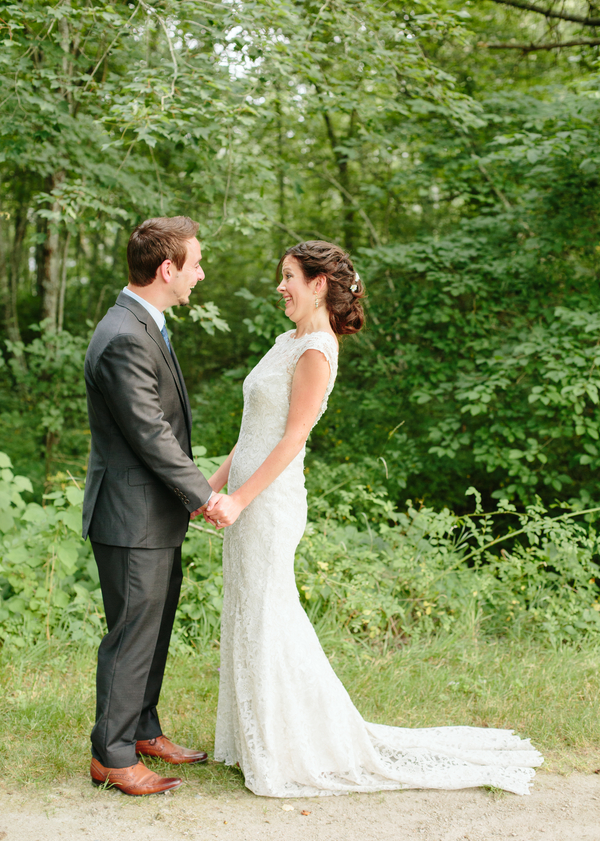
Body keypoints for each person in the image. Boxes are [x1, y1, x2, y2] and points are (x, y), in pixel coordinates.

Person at [204, 240, 543, 798]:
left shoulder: (316, 350)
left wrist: (240, 499)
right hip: (246, 498)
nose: (280, 286)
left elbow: (292, 439)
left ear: (318, 284)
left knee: (270, 616)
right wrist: (210, 487)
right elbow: (249, 437)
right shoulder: (284, 341)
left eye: (288, 276)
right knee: (248, 611)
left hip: (269, 504)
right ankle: (254, 738)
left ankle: (296, 746)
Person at [83, 216, 221, 796]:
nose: (200, 273)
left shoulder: (146, 324)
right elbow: (151, 434)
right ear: (167, 269)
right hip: (130, 516)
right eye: (194, 263)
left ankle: (142, 728)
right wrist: (204, 495)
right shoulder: (122, 335)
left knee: (155, 627)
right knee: (132, 632)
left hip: (154, 514)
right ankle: (111, 756)